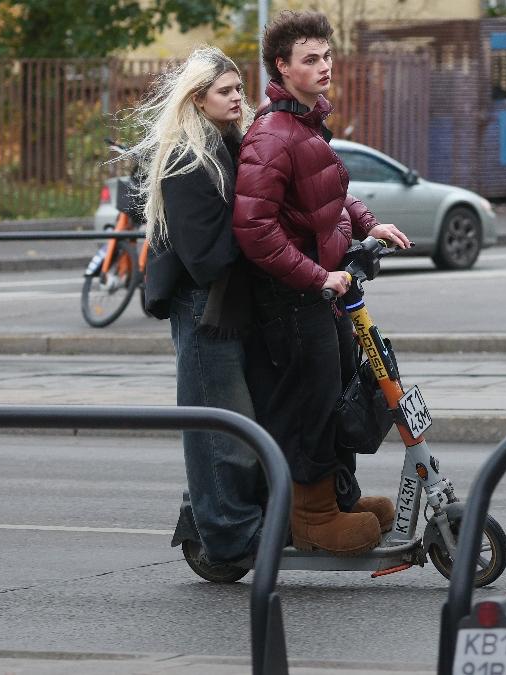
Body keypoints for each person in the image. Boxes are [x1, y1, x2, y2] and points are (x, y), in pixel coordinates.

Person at [232, 11, 412, 556]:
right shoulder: (271, 135)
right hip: (294, 301)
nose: (325, 66)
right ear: (282, 68)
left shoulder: (307, 124)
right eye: (311, 59)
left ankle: (340, 499)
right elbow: (253, 228)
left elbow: (331, 194)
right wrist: (316, 276)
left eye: (327, 56)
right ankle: (312, 520)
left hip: (326, 296)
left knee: (340, 398)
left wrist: (366, 222)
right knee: (311, 405)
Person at [130, 47, 263, 566]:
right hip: (203, 306)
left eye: (238, 89)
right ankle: (228, 537)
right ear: (197, 99)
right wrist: (261, 241)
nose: (237, 98)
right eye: (225, 91)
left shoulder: (226, 143)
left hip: (225, 304)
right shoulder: (189, 157)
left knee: (237, 426)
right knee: (221, 431)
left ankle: (211, 518)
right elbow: (206, 256)